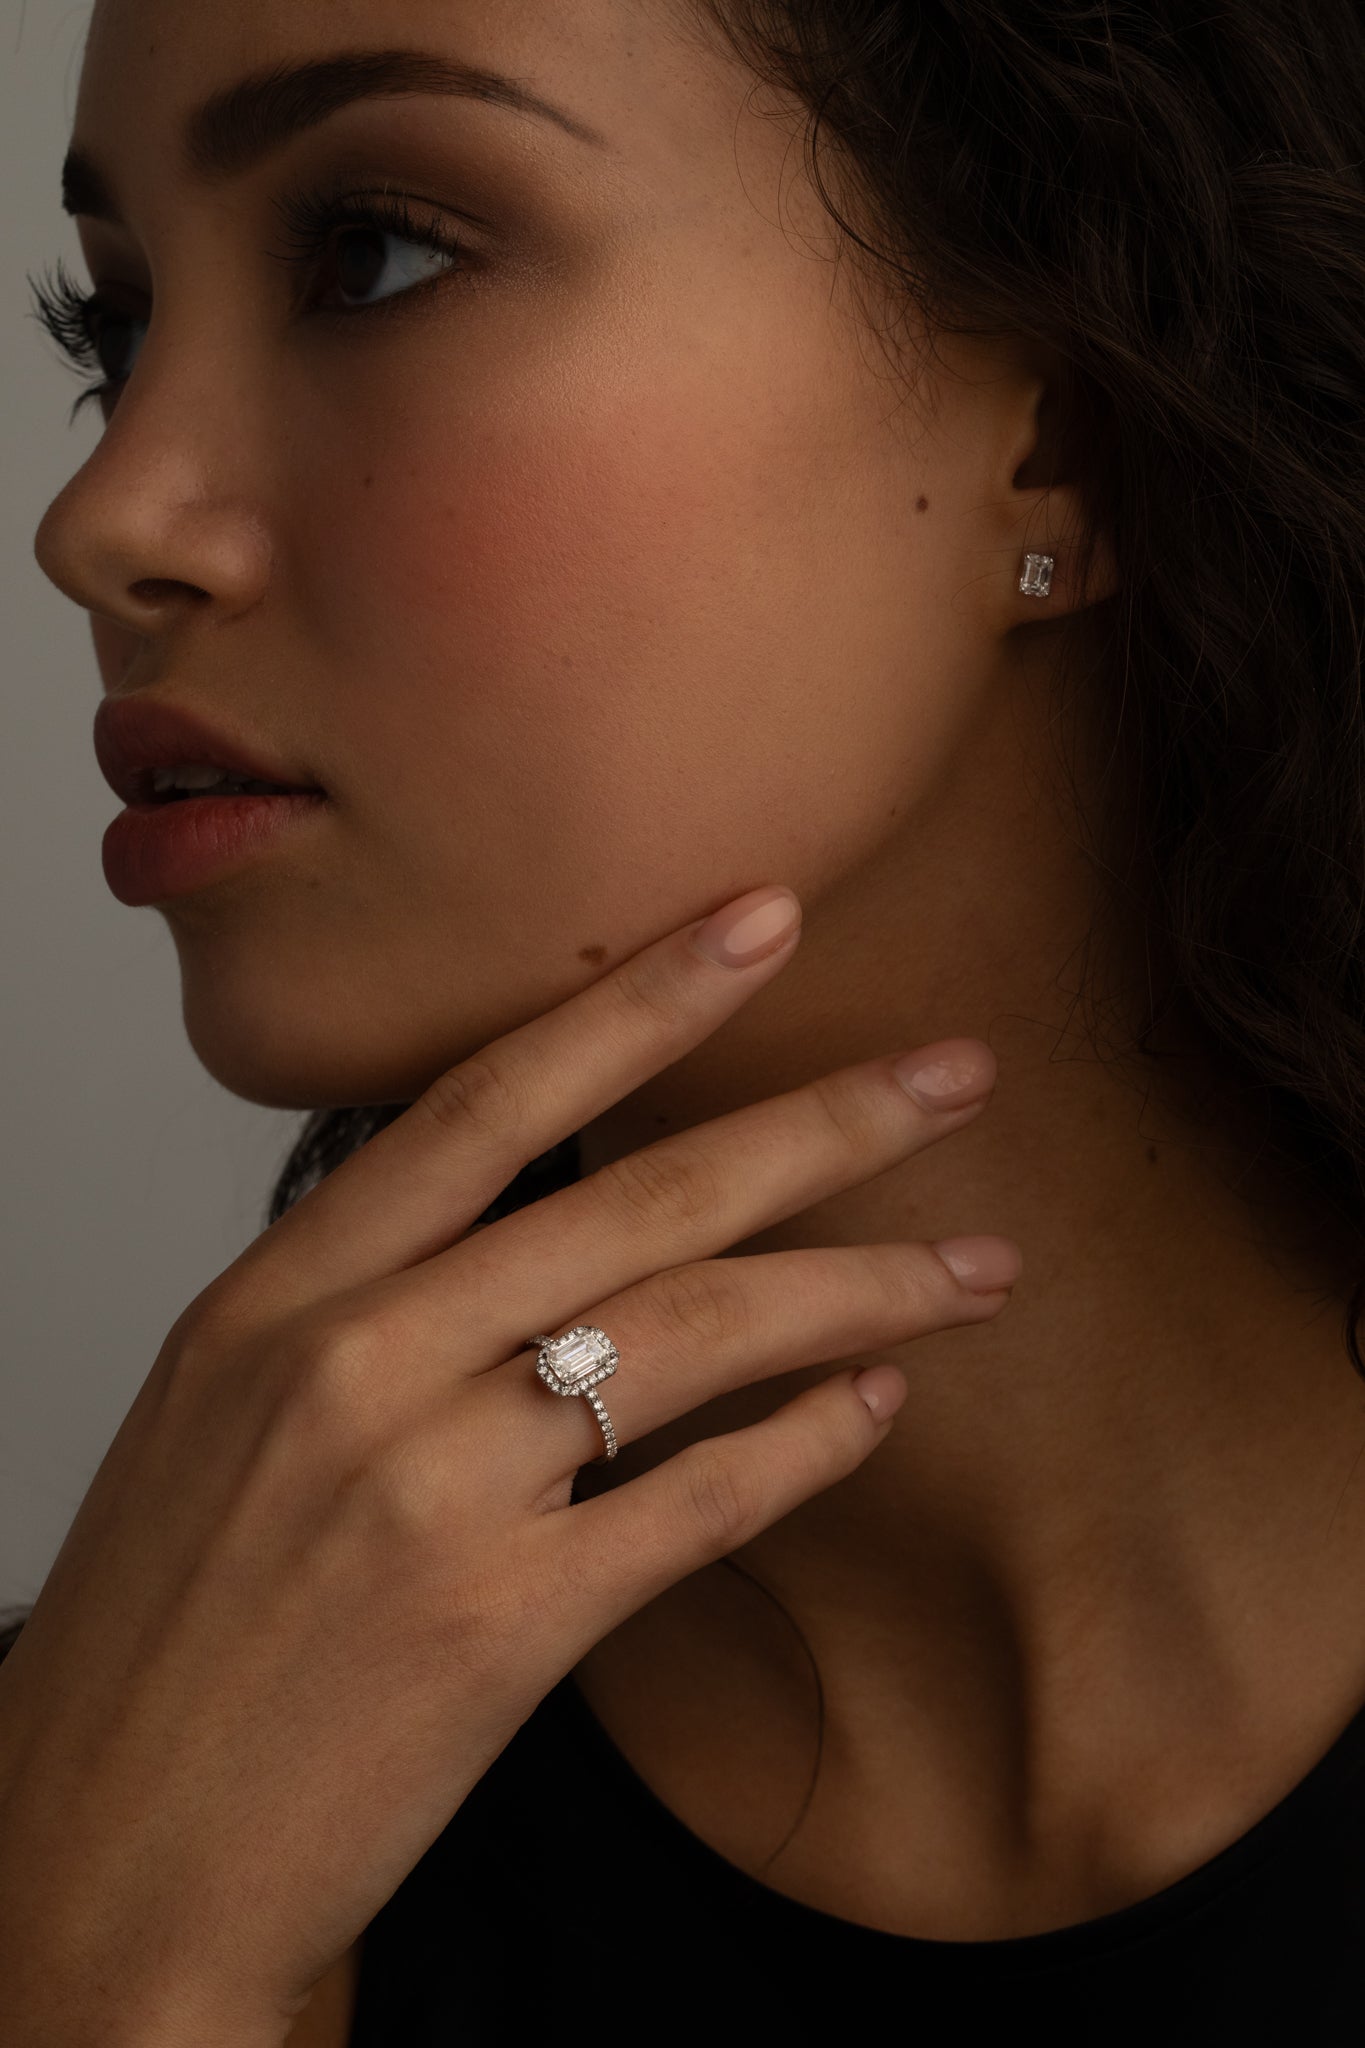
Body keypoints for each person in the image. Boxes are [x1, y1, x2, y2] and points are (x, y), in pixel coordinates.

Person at [3, 1, 1364, 2040]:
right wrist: (110, 1987)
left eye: (370, 251)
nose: (100, 522)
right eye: (113, 330)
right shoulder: (85, 1842)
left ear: (1059, 422)